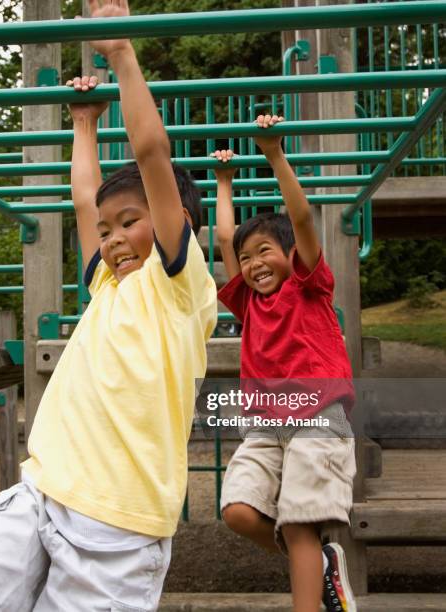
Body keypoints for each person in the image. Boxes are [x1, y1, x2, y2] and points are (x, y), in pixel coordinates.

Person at [0, 1, 216, 611]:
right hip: (43, 488)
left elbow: (154, 156)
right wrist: (83, 123)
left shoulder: (177, 285)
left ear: (177, 225)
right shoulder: (108, 284)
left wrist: (122, 53)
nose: (115, 236)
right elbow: (83, 202)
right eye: (108, 229)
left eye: (132, 221)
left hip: (119, 523)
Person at [212, 115, 357, 612]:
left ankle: (308, 593)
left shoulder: (307, 284)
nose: (253, 265)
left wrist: (274, 153)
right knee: (236, 511)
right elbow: (224, 236)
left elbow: (301, 219)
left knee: (298, 523)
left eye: (264, 252)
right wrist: (224, 182)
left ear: (289, 255)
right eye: (246, 259)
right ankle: (318, 566)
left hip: (318, 419)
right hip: (267, 426)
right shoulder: (247, 302)